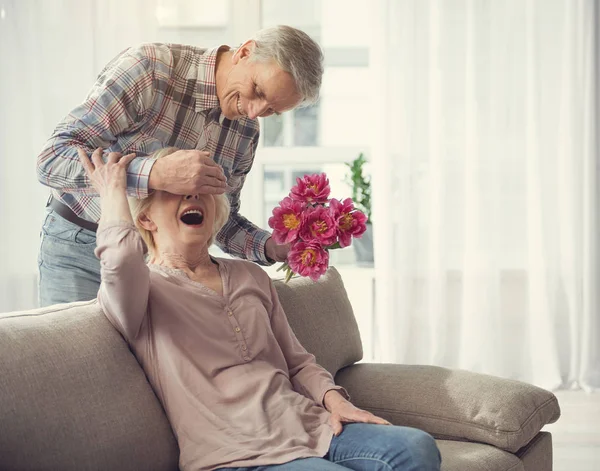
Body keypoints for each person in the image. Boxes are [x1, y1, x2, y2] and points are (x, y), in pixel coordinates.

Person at [80, 146, 442, 471]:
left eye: (204, 189)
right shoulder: (140, 292)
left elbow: (298, 362)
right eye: (176, 189)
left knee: (416, 447)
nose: (194, 194)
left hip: (311, 427)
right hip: (238, 455)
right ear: (144, 219)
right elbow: (120, 259)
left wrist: (334, 400)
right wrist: (113, 194)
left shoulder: (250, 276)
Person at [37, 25, 319, 307]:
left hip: (161, 269)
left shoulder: (246, 133)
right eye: (257, 90)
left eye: (272, 110)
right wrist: (155, 174)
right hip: (81, 247)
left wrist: (271, 246)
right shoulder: (150, 69)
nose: (255, 111)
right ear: (245, 52)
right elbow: (52, 158)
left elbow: (222, 221)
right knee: (81, 350)